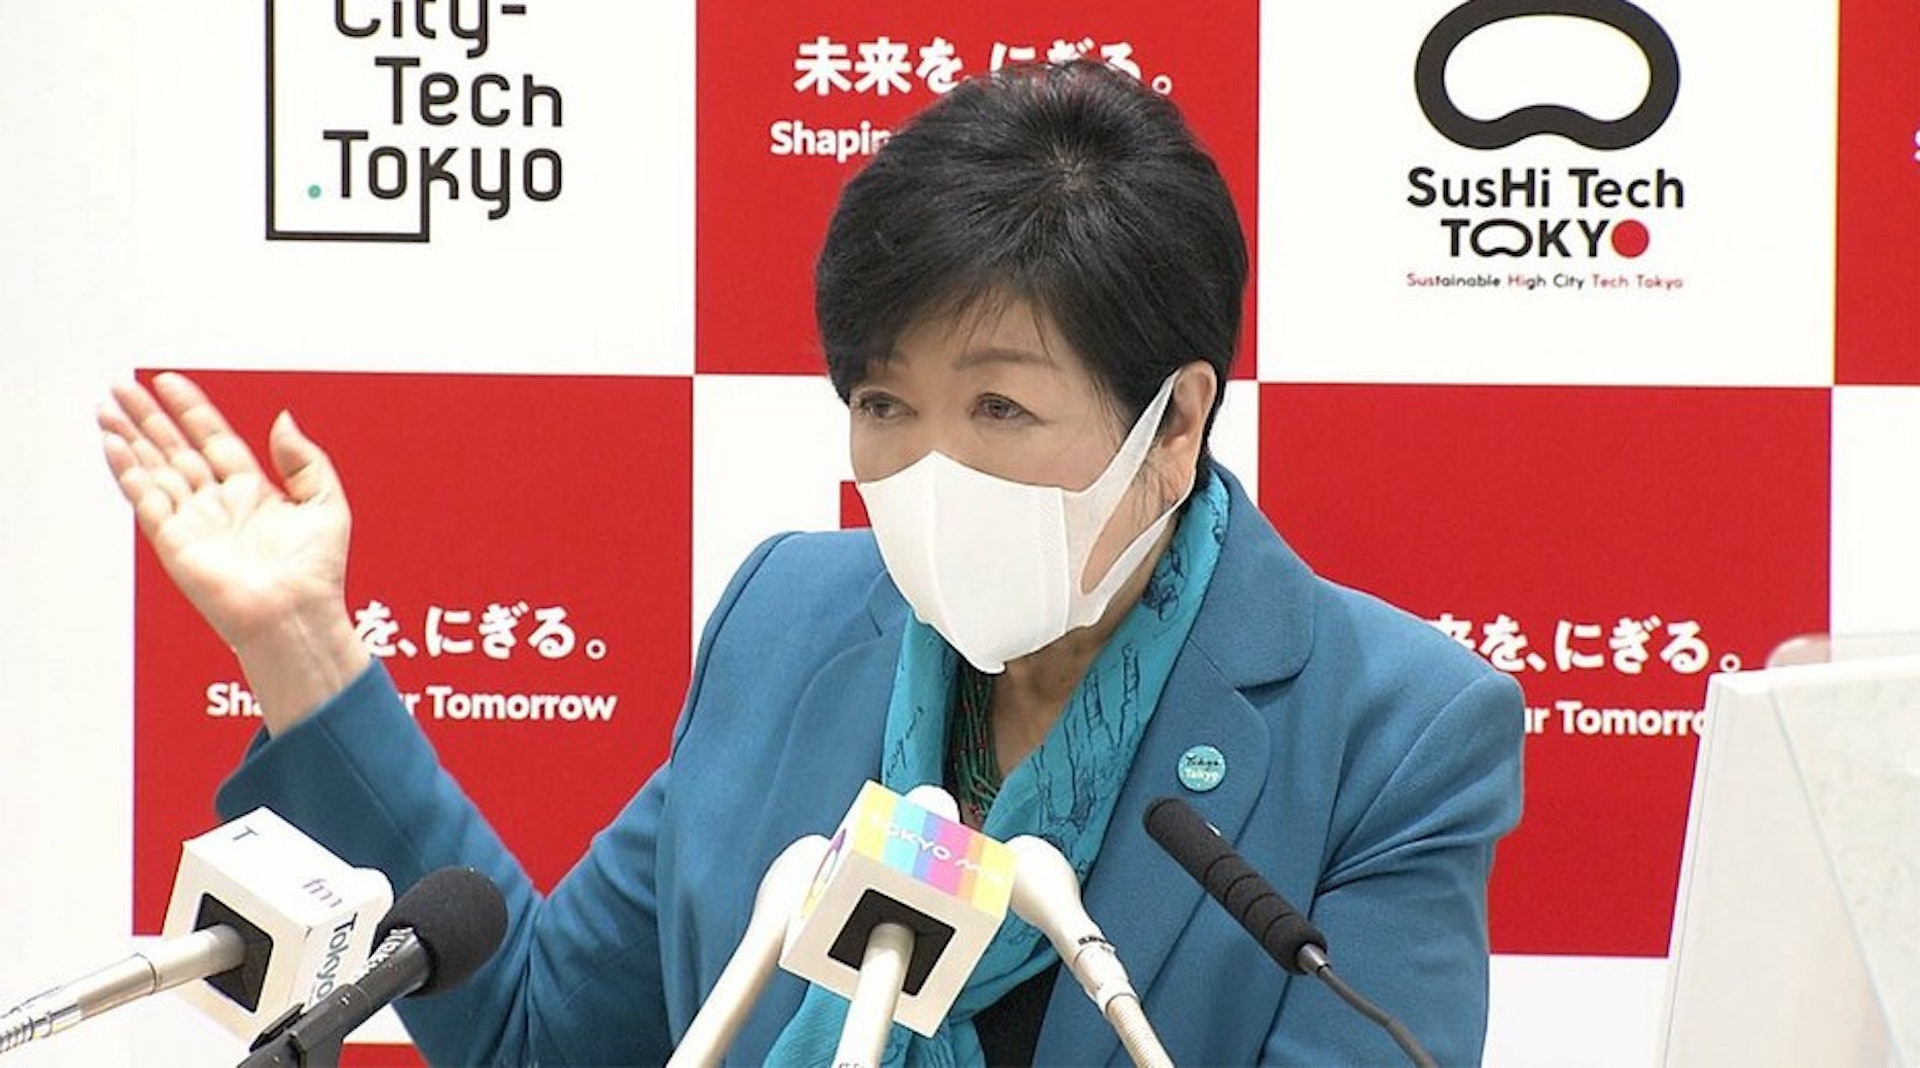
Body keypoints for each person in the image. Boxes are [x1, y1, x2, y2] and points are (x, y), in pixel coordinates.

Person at [98, 61, 1523, 1066]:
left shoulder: (1391, 730)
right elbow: (542, 1037)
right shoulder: (789, 619)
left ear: (1177, 422)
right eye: (884, 402)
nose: (927, 469)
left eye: (1000, 407)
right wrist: (300, 644)